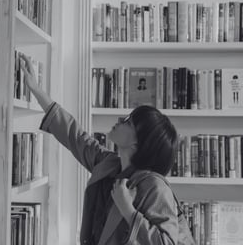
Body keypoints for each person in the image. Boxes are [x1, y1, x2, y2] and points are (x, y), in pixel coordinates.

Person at [21, 55, 179, 245]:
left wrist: (128, 211)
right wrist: (36, 89)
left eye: (129, 122)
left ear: (137, 144)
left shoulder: (155, 187)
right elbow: (75, 136)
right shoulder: (110, 164)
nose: (121, 120)